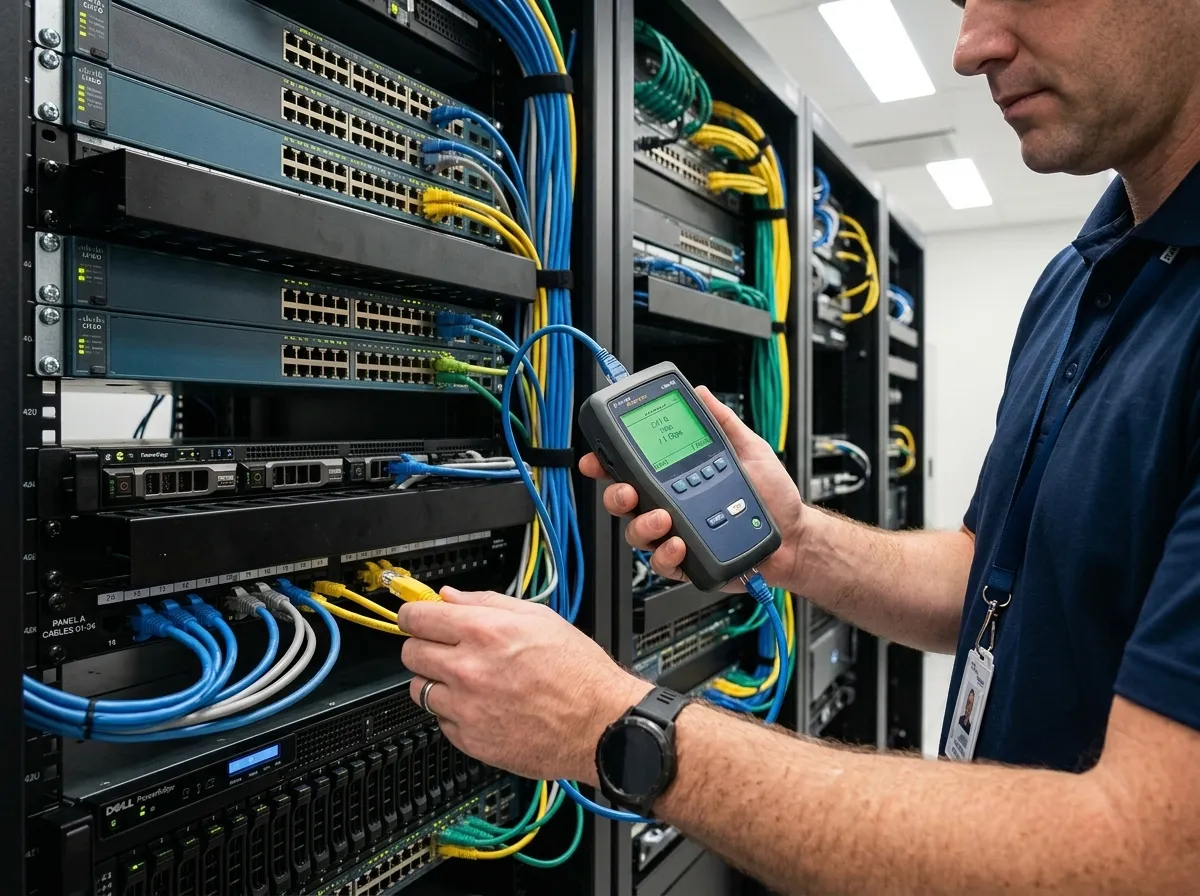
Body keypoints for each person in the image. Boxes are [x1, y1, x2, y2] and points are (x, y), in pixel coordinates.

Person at [398, 0, 1200, 891]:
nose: (971, 47)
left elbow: (1154, 855)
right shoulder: (1080, 278)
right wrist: (795, 538)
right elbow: (998, 576)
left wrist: (612, 724)